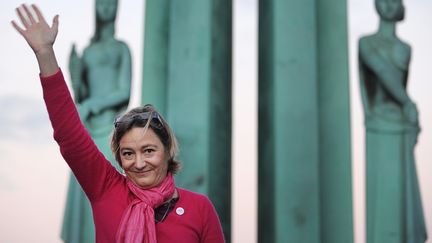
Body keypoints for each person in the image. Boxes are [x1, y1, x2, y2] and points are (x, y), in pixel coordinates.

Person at [12, 4, 225, 243]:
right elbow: (68, 133)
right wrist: (44, 54)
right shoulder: (106, 190)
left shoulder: (199, 208)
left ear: (168, 151)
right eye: (128, 153)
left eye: (149, 150)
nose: (139, 162)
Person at [63, 0, 132, 241]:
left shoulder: (122, 48)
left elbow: (125, 91)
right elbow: (81, 95)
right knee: (83, 191)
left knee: (108, 190)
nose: (106, 8)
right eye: (101, 3)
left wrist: (94, 104)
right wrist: (74, 73)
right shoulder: (88, 51)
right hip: (88, 129)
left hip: (110, 130)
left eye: (111, 3)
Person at [358, 0, 427, 242]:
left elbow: (396, 82)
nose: (388, 5)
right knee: (381, 201)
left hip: (400, 124)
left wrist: (407, 107)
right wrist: (409, 103)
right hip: (378, 124)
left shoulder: (405, 49)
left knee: (403, 198)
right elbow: (382, 73)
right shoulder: (366, 44)